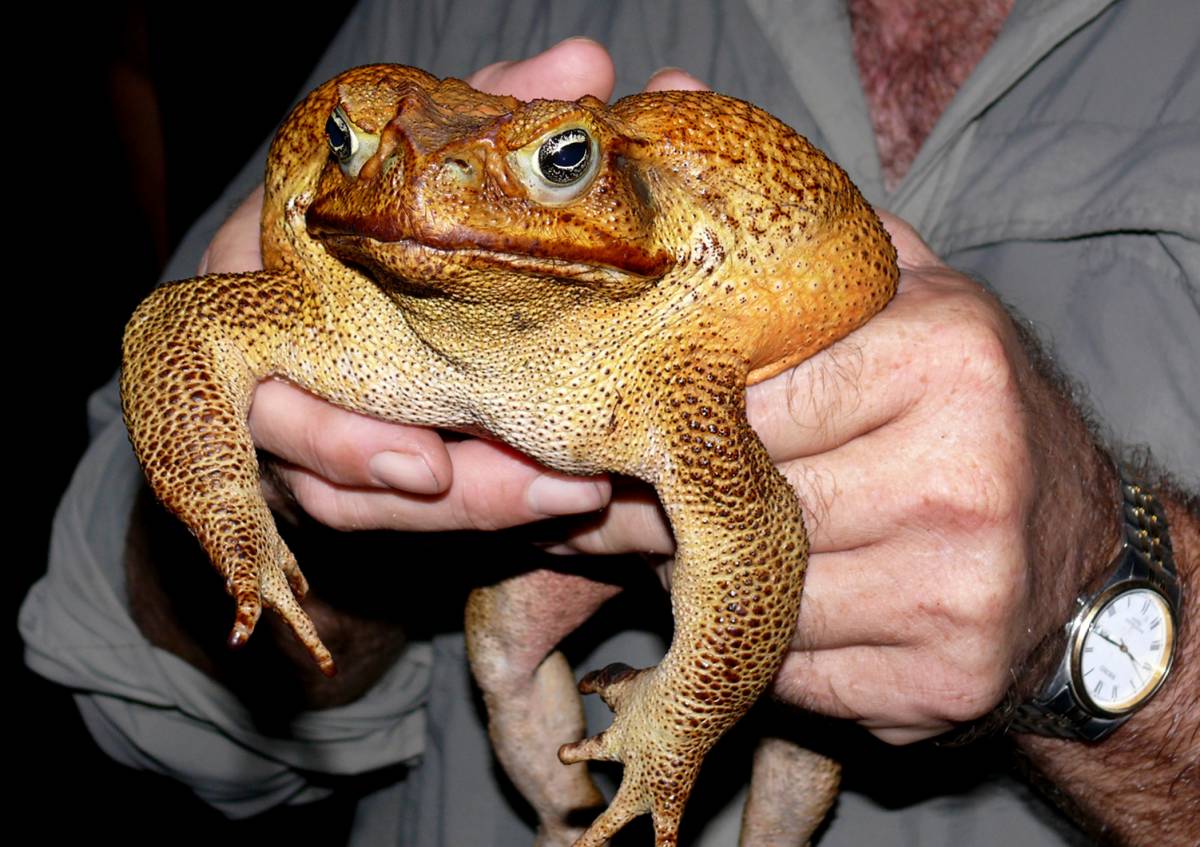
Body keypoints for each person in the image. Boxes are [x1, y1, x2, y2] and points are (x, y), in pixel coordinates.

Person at [22, 0, 1197, 844]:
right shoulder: (359, 280)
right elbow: (178, 336)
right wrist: (255, 514)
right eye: (355, 147)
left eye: (559, 159)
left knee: (796, 742)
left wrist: (680, 723)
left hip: (648, 326)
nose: (433, 188)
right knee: (503, 630)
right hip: (446, 410)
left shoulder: (663, 358)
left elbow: (754, 548)